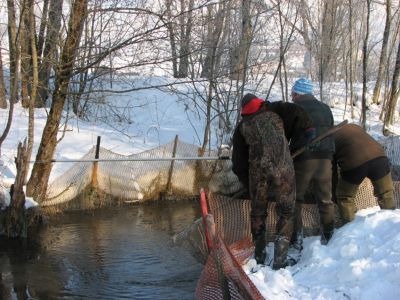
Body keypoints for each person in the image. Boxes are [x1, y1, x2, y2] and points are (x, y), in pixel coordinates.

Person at [231, 93, 296, 269]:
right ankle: (280, 260)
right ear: (259, 104)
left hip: (257, 175)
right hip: (283, 170)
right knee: (286, 211)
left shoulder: (242, 127)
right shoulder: (276, 116)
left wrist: (247, 183)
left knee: (258, 213)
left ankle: (259, 255)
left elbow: (238, 163)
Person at [290, 78, 336, 247]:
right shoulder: (325, 108)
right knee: (325, 199)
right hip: (325, 158)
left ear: (297, 93)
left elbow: (289, 134)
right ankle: (329, 236)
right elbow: (331, 129)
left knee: (296, 198)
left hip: (304, 158)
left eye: (292, 93)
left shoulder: (296, 109)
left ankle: (297, 238)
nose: (291, 97)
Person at [333, 123, 395, 224]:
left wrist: (333, 193)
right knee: (386, 193)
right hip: (380, 158)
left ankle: (349, 227)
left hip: (354, 163)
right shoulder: (354, 126)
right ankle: (391, 223)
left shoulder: (330, 138)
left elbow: (332, 170)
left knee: (345, 197)